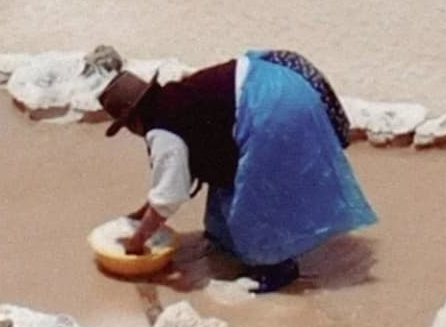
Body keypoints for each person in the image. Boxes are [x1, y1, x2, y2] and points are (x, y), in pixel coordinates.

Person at [98, 50, 376, 295]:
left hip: (273, 107)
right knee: (228, 201)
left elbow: (170, 194)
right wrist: (141, 213)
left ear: (133, 119)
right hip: (275, 79)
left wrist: (136, 243)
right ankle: (232, 245)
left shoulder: (163, 130)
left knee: (257, 197)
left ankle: (277, 267)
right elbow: (178, 174)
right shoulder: (175, 98)